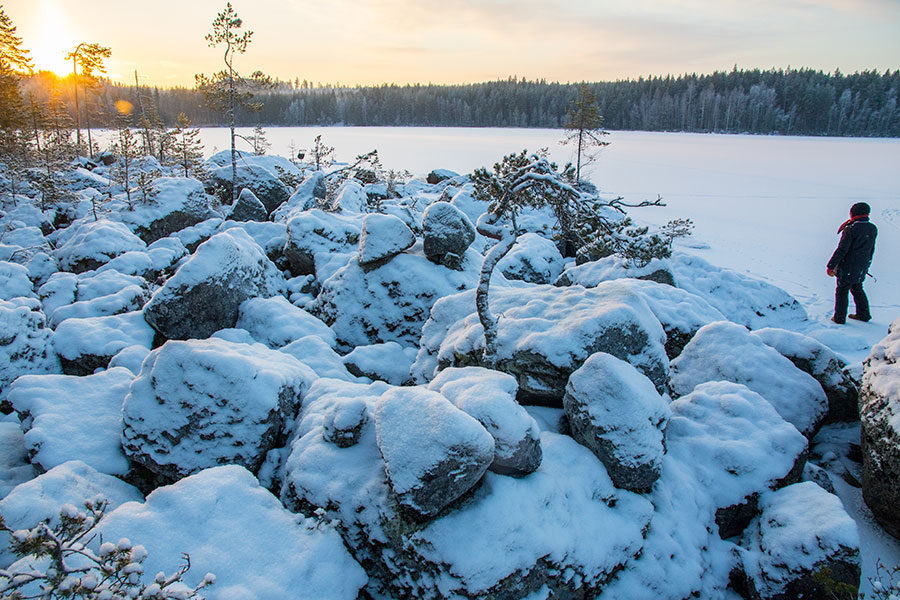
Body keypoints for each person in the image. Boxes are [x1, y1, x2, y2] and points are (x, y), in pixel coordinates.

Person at [827, 202, 877, 324]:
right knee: (857, 288)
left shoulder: (851, 229)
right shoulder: (872, 228)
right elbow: (871, 249)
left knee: (842, 290)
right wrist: (867, 264)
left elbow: (842, 249)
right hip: (861, 265)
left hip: (847, 266)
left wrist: (831, 265)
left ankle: (839, 318)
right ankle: (864, 315)